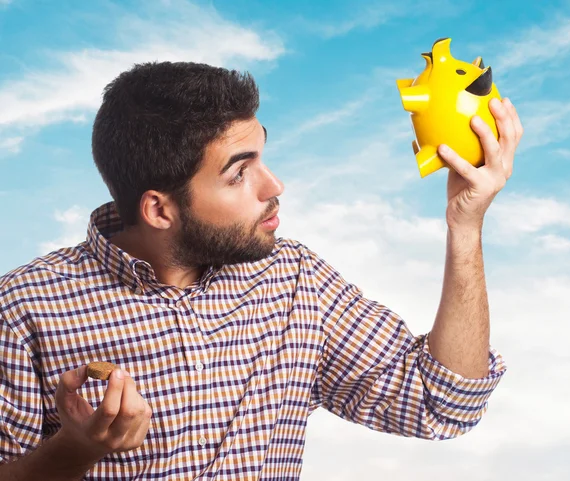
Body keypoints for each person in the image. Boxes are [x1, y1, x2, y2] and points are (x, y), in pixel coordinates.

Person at [0, 61, 523, 481]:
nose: (274, 187)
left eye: (262, 158)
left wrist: (465, 223)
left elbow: (444, 403)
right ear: (159, 210)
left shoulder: (294, 280)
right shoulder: (26, 307)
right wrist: (76, 449)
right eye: (238, 174)